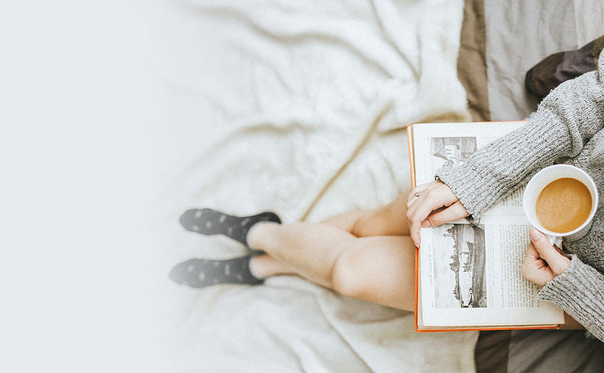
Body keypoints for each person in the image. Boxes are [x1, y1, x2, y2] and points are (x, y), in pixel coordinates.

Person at [170, 48, 604, 341]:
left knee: (348, 273)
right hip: (540, 173)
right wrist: (478, 179)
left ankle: (260, 238)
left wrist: (576, 288)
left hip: (567, 276)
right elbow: (595, 95)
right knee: (371, 224)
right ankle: (265, 264)